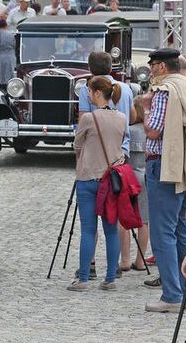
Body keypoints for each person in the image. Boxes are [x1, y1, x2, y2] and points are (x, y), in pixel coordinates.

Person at [142, 48, 186, 312]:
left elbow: (153, 131)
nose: (150, 71)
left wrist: (145, 109)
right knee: (182, 229)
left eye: (153, 66)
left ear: (161, 67)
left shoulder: (164, 91)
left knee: (163, 232)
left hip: (166, 167)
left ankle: (171, 295)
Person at [70, 76, 126, 291]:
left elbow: (77, 144)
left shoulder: (88, 119)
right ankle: (110, 278)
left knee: (88, 230)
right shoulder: (121, 118)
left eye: (90, 92)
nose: (88, 95)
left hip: (88, 177)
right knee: (111, 230)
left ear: (97, 93)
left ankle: (84, 278)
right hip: (111, 180)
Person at [78, 52, 135, 158]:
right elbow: (132, 119)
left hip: (97, 150)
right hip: (122, 148)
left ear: (89, 69)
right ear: (110, 68)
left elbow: (83, 122)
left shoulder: (86, 89)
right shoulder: (126, 88)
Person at [120, 96, 150, 273]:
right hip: (146, 176)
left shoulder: (129, 131)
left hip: (129, 176)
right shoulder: (150, 131)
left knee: (123, 219)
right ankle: (140, 260)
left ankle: (125, 259)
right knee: (144, 221)